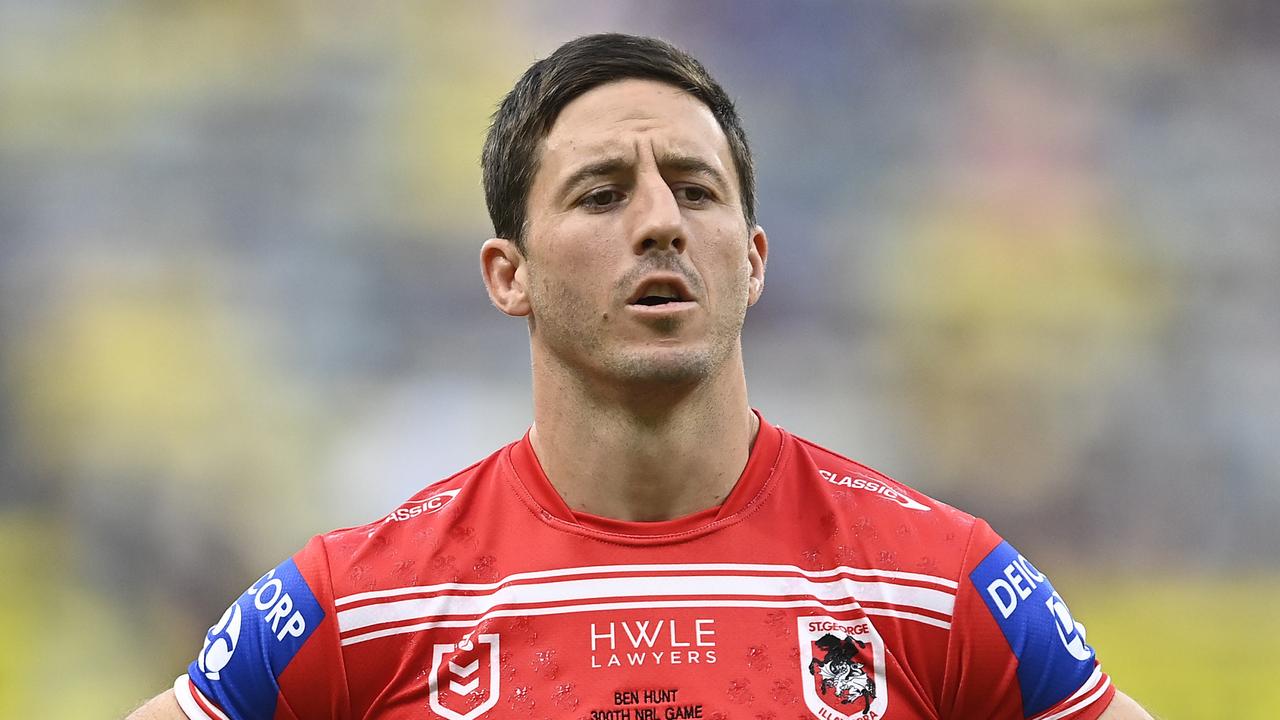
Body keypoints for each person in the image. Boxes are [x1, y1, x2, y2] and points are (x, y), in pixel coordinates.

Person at [129, 33, 1153, 720]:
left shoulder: (937, 585)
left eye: (695, 189)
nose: (660, 220)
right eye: (602, 192)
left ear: (751, 259)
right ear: (507, 275)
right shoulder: (360, 606)